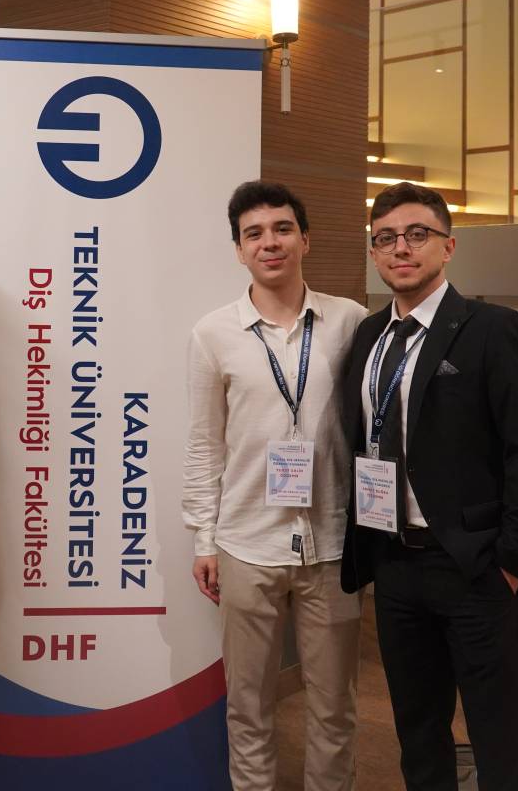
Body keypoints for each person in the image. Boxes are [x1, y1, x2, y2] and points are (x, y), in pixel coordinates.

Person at [340, 182, 518, 791]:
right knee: (417, 728)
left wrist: (512, 562)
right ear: (374, 252)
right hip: (394, 563)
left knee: (498, 732)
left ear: (448, 246)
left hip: (475, 567)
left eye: (417, 235)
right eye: (385, 238)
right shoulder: (369, 336)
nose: (400, 248)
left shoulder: (491, 328)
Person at [183, 180, 367, 791]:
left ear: (305, 240)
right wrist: (203, 538)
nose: (270, 242)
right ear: (239, 250)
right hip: (245, 544)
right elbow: (205, 443)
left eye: (283, 229)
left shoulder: (349, 321)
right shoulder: (213, 333)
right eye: (254, 234)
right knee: (248, 705)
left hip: (332, 545)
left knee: (334, 708)